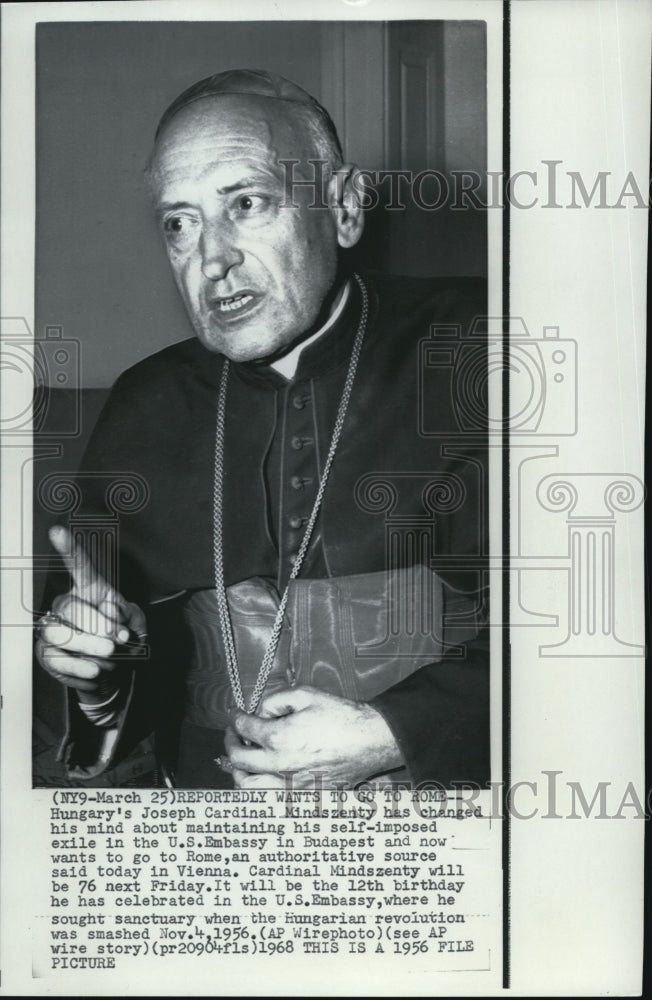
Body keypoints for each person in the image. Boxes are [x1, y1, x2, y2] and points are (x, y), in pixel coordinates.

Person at [36, 69, 489, 790]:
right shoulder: (147, 403)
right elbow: (117, 706)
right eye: (180, 223)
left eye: (245, 203)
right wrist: (97, 680)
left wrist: (393, 730)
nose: (212, 260)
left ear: (342, 208)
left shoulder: (480, 348)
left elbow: (594, 644)